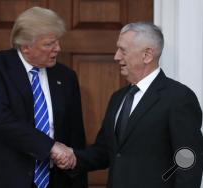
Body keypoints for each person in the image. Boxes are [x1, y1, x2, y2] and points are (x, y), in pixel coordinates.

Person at [55, 22, 203, 188]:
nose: (116, 56)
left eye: (123, 50)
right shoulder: (118, 98)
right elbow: (105, 151)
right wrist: (72, 157)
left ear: (147, 55)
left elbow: (188, 162)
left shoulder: (179, 98)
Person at [0, 6, 87, 188]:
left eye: (57, 42)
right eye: (49, 44)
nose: (58, 49)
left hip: (54, 180)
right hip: (1, 179)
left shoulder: (66, 76)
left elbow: (75, 133)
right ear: (25, 46)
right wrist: (50, 147)